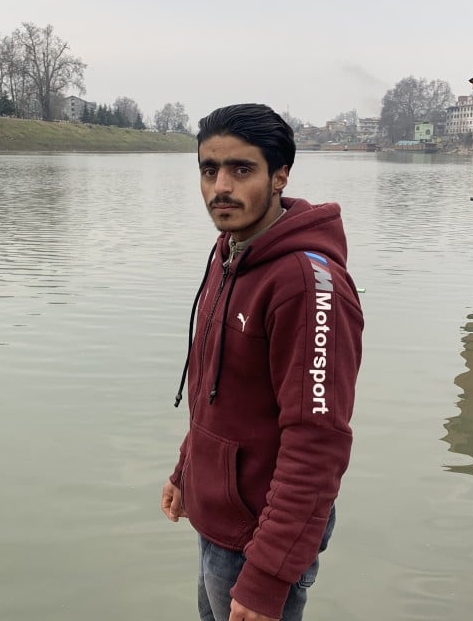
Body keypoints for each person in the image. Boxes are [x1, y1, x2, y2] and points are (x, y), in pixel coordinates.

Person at [161, 103, 364, 621]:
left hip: (259, 541)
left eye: (241, 169)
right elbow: (218, 390)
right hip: (217, 521)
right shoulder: (231, 253)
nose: (220, 187)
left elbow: (317, 444)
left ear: (279, 176)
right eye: (209, 170)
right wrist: (186, 470)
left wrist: (267, 576)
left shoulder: (307, 285)